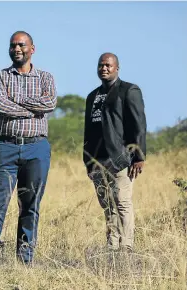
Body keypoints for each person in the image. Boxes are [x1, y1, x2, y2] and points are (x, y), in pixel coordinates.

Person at [0, 31, 57, 265]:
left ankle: (25, 260)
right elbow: (1, 106)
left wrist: (17, 100)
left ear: (32, 48)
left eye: (21, 45)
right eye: (13, 45)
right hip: (6, 147)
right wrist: (34, 110)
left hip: (36, 148)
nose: (17, 49)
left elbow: (50, 103)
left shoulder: (45, 78)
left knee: (30, 205)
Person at [83, 53, 147, 252]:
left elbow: (139, 125)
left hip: (120, 158)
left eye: (108, 65)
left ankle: (126, 246)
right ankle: (112, 245)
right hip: (97, 159)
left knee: (122, 202)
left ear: (117, 68)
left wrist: (139, 156)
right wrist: (87, 159)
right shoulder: (92, 96)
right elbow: (88, 128)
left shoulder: (128, 90)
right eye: (101, 65)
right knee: (107, 204)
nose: (104, 68)